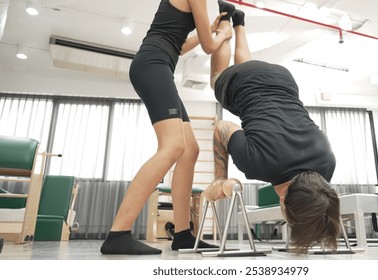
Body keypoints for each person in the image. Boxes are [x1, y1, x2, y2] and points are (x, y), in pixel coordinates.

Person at [100, 0, 235, 255]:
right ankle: (118, 233)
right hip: (153, 65)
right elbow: (209, 47)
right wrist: (222, 35)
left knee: (190, 149)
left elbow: (180, 46)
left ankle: (183, 234)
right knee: (173, 146)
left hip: (157, 64)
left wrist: (209, 29)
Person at [208, 7, 341, 253]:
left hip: (284, 80)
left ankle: (240, 23)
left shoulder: (327, 166)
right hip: (246, 86)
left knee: (245, 66)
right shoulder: (258, 164)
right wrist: (219, 178)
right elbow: (223, 127)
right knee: (217, 77)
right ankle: (226, 23)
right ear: (283, 201)